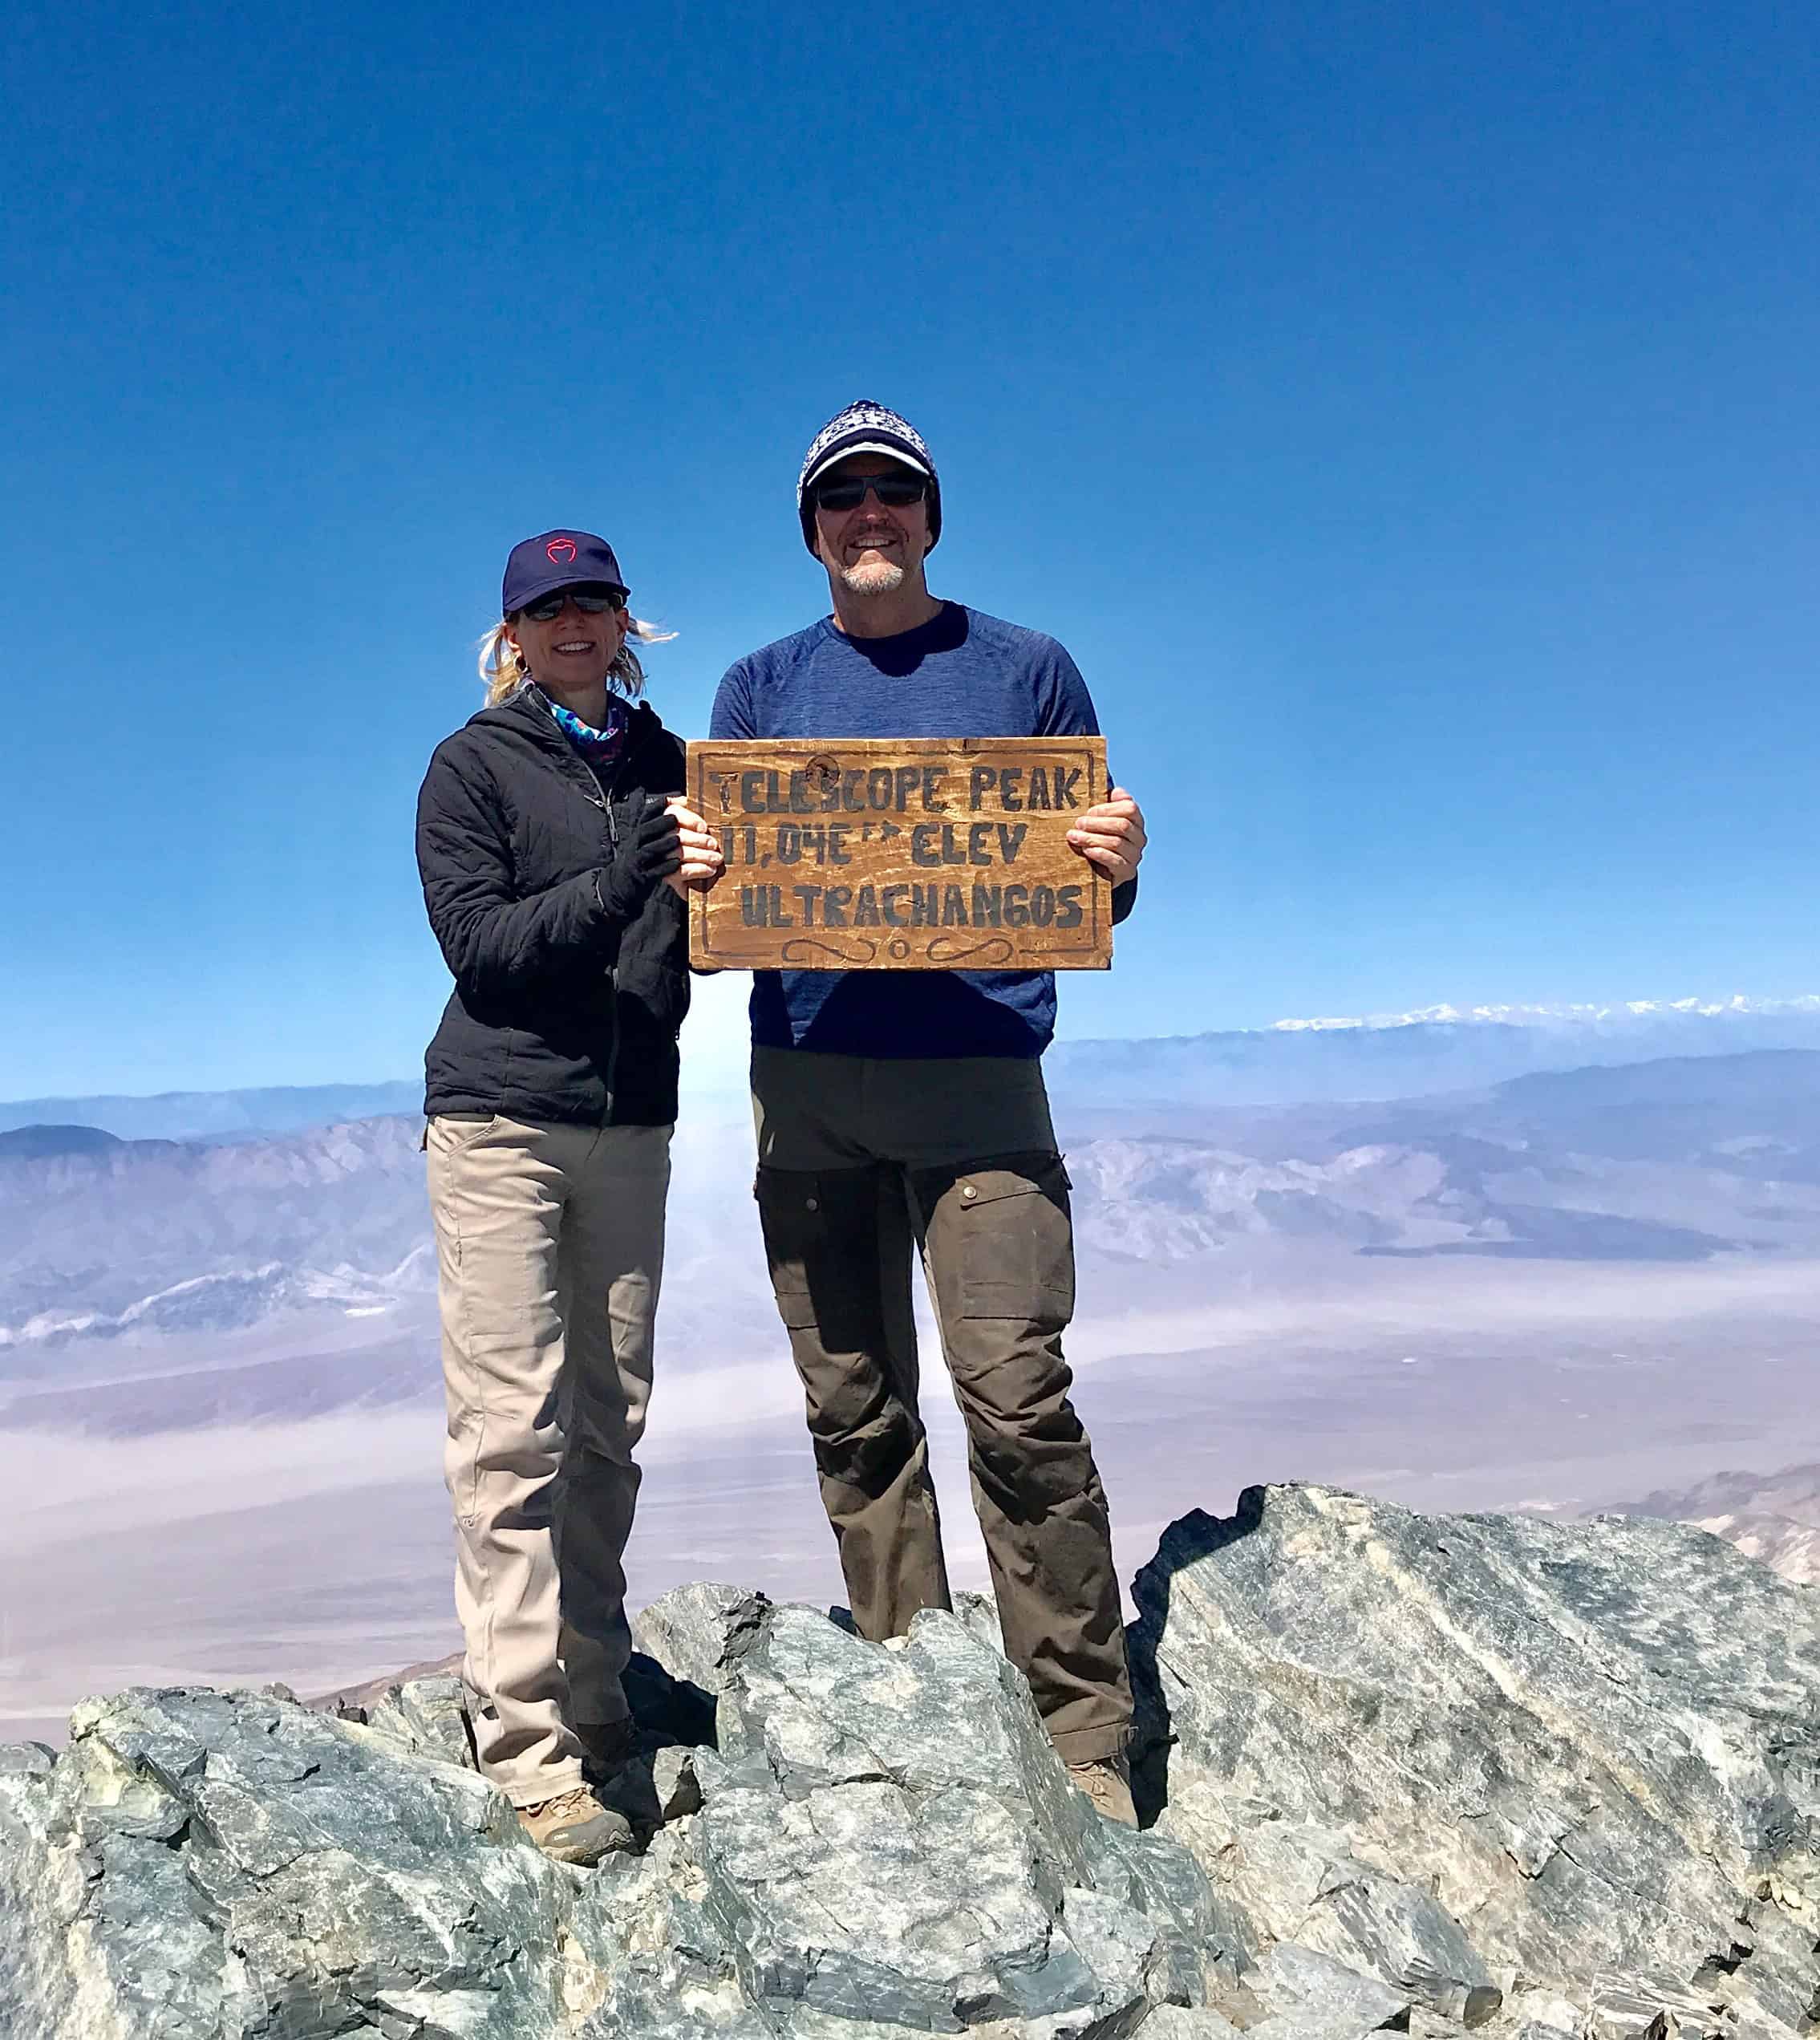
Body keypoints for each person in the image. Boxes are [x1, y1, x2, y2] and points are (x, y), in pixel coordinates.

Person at [710, 403, 1149, 1824]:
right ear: (813, 531)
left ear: (929, 515)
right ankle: (921, 1708)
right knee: (854, 1417)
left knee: (1015, 1404)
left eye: (893, 494)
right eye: (842, 500)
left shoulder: (1025, 666)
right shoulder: (759, 685)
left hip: (979, 1092)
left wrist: (1118, 856)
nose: (869, 517)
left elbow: (1082, 876)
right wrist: (699, 865)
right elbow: (722, 886)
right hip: (810, 1091)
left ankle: (1082, 1732)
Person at [415, 529, 722, 1863]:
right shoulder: (471, 767)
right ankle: (528, 1746)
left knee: (609, 1424)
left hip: (631, 1121)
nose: (576, 625)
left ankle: (597, 1707)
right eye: (548, 610)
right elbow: (480, 949)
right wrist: (621, 881)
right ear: (512, 636)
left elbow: (718, 929)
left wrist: (716, 903)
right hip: (499, 1123)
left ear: (626, 619)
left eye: (595, 601)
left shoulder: (671, 766)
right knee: (514, 1433)